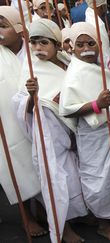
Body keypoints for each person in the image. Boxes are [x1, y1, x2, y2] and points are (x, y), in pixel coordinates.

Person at [14, 19, 87, 243]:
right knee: (54, 180)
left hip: (71, 133)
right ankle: (61, 228)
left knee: (73, 178)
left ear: (57, 44)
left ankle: (75, 217)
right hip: (47, 134)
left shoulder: (68, 62)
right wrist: (31, 97)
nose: (37, 49)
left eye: (44, 42)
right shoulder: (30, 67)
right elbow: (17, 102)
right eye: (33, 43)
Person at [59, 22, 110, 241]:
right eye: (80, 44)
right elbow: (67, 109)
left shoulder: (100, 65)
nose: (86, 47)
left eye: (91, 42)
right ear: (73, 48)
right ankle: (102, 223)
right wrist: (96, 105)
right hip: (92, 134)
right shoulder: (74, 73)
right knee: (97, 180)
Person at [0, 5, 44, 238]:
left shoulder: (34, 51)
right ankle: (26, 216)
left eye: (3, 26)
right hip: (8, 122)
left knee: (44, 166)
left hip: (35, 119)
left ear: (19, 30)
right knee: (15, 166)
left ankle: (47, 210)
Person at [85, 0, 110, 66]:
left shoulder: (89, 14)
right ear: (101, 7)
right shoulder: (98, 25)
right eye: (105, 6)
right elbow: (104, 52)